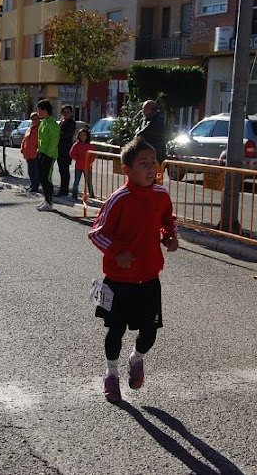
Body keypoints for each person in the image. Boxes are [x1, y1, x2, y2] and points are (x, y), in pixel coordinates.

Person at [87, 137, 179, 403]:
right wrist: (118, 252)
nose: (151, 168)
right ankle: (111, 373)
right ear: (126, 170)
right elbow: (96, 234)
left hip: (149, 278)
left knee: (149, 333)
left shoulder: (161, 194)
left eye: (153, 162)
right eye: (143, 164)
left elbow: (168, 220)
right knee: (115, 330)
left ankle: (136, 358)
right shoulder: (119, 199)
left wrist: (169, 236)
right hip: (118, 280)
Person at [35, 99, 60, 211]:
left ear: (46, 110)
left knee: (47, 178)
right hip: (41, 153)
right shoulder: (43, 123)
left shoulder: (53, 124)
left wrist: (48, 155)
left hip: (49, 155)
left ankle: (49, 202)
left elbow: (54, 141)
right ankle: (46, 199)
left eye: (40, 110)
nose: (38, 112)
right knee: (42, 177)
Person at [135, 100, 167, 165]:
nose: (142, 111)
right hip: (146, 150)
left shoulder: (158, 118)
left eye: (143, 108)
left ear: (149, 109)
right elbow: (138, 129)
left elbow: (147, 129)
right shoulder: (144, 119)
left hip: (156, 150)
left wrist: (139, 134)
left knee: (155, 168)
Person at [69, 127, 96, 201]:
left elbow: (93, 155)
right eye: (81, 135)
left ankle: (91, 195)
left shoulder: (90, 145)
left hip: (87, 167)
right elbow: (71, 153)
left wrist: (89, 161)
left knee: (89, 182)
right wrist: (78, 159)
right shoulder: (76, 144)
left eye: (84, 135)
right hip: (78, 167)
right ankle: (74, 196)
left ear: (87, 136)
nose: (82, 137)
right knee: (76, 182)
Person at [55, 105, 76, 197]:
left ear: (71, 113)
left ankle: (64, 190)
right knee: (61, 170)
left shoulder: (72, 123)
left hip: (66, 149)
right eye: (64, 112)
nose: (66, 114)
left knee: (65, 170)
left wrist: (59, 134)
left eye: (68, 112)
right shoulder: (61, 122)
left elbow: (67, 134)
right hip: (59, 149)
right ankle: (62, 189)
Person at [20, 112, 41, 193]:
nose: (34, 120)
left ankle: (35, 186)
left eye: (36, 118)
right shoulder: (30, 128)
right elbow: (24, 139)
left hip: (35, 153)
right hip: (28, 153)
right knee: (30, 171)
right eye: (33, 119)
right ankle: (32, 184)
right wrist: (22, 148)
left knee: (36, 171)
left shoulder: (40, 129)